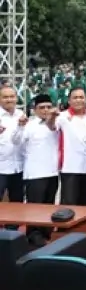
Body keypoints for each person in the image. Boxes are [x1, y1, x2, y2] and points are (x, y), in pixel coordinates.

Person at [12, 94, 58, 246]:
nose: (45, 110)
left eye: (48, 107)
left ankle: (46, 233)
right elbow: (16, 141)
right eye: (41, 107)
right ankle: (33, 235)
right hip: (35, 173)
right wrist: (19, 126)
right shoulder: (29, 125)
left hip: (53, 171)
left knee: (49, 204)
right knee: (35, 206)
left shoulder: (57, 124)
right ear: (35, 109)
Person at [55, 87, 86, 206]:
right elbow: (52, 127)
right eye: (75, 97)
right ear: (69, 101)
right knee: (69, 206)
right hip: (70, 168)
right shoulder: (61, 117)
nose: (78, 100)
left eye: (81, 97)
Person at [0, 85, 25, 230]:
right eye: (5, 97)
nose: (9, 99)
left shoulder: (21, 114)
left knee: (17, 202)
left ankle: (13, 235)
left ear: (16, 98)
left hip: (18, 167)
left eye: (12, 96)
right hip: (1, 167)